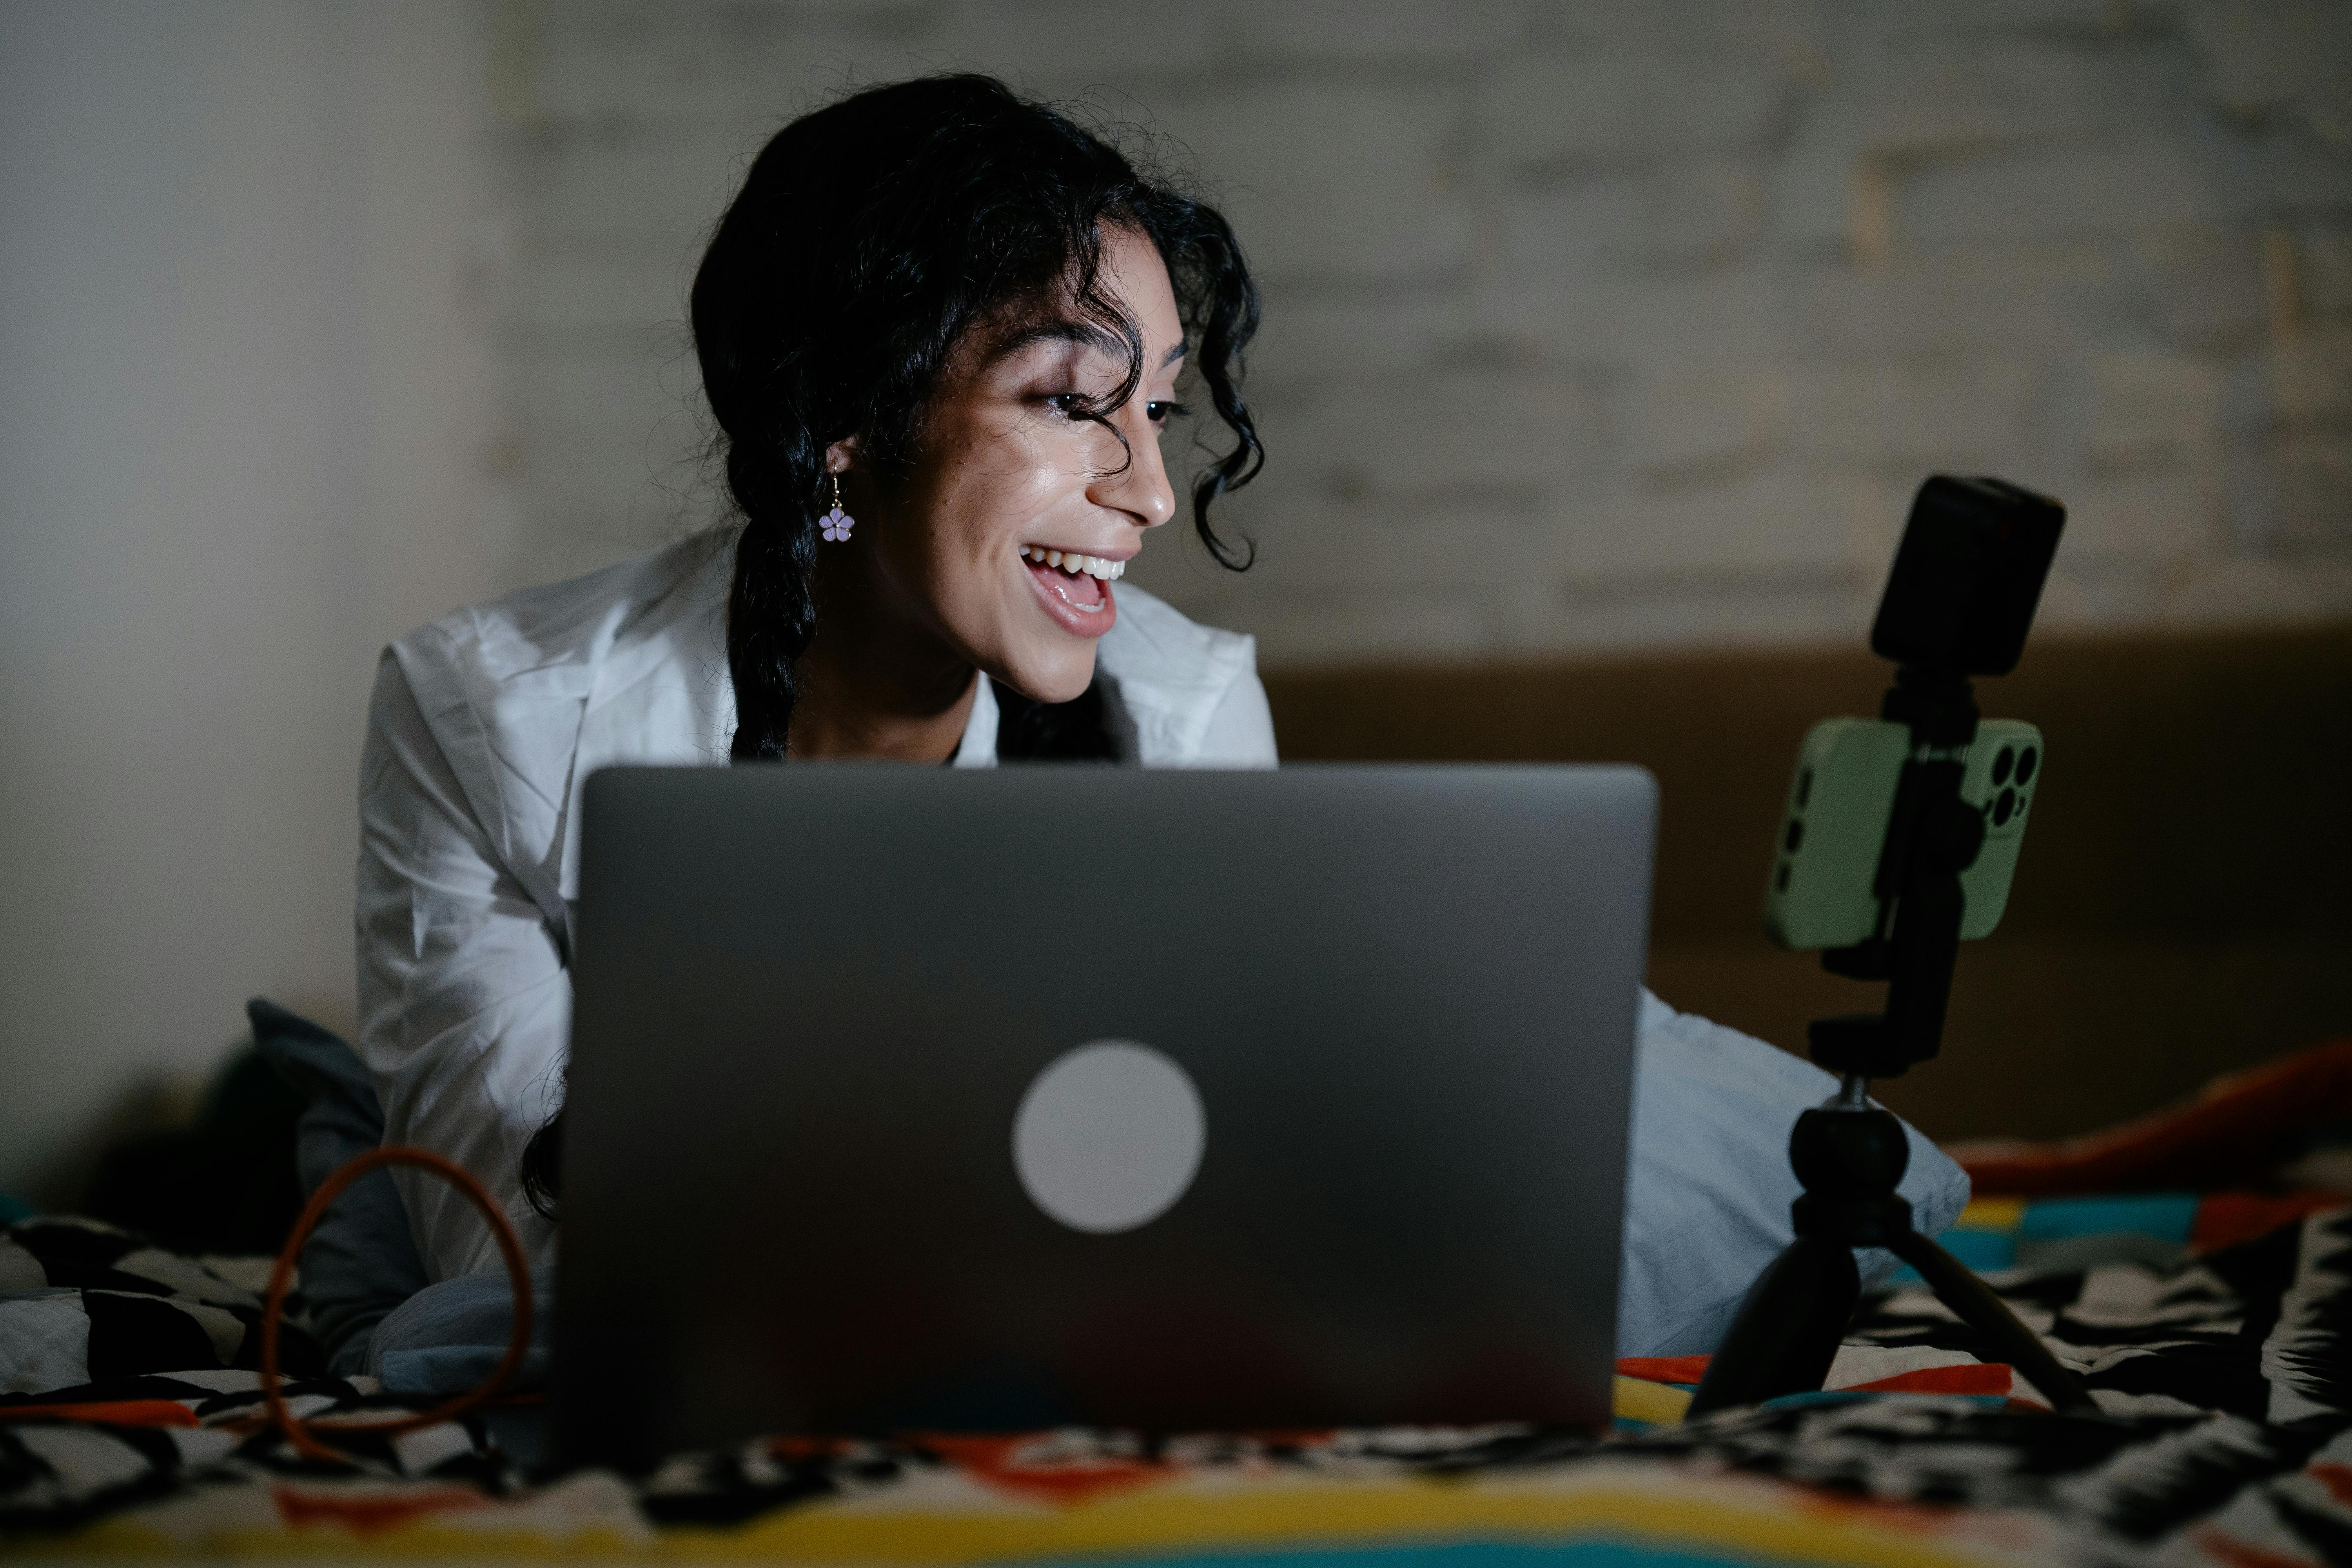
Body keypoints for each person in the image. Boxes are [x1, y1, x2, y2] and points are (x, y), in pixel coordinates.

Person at [353, 74, 1965, 1383]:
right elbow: (520, 1247)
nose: (1149, 491)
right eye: (1074, 401)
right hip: (712, 1297)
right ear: (842, 415)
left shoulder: (1184, 700)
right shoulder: (491, 714)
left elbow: (1190, 1205)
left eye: (1163, 409)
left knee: (1634, 1131)